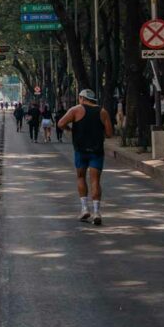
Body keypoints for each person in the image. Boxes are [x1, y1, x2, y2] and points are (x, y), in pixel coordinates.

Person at [57, 89, 114, 226]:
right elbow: (109, 133)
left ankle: (84, 209)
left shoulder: (76, 110)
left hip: (80, 150)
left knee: (81, 177)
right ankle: (96, 212)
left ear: (82, 98)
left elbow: (60, 123)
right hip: (97, 151)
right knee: (95, 181)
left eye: (79, 98)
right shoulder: (102, 112)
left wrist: (70, 130)